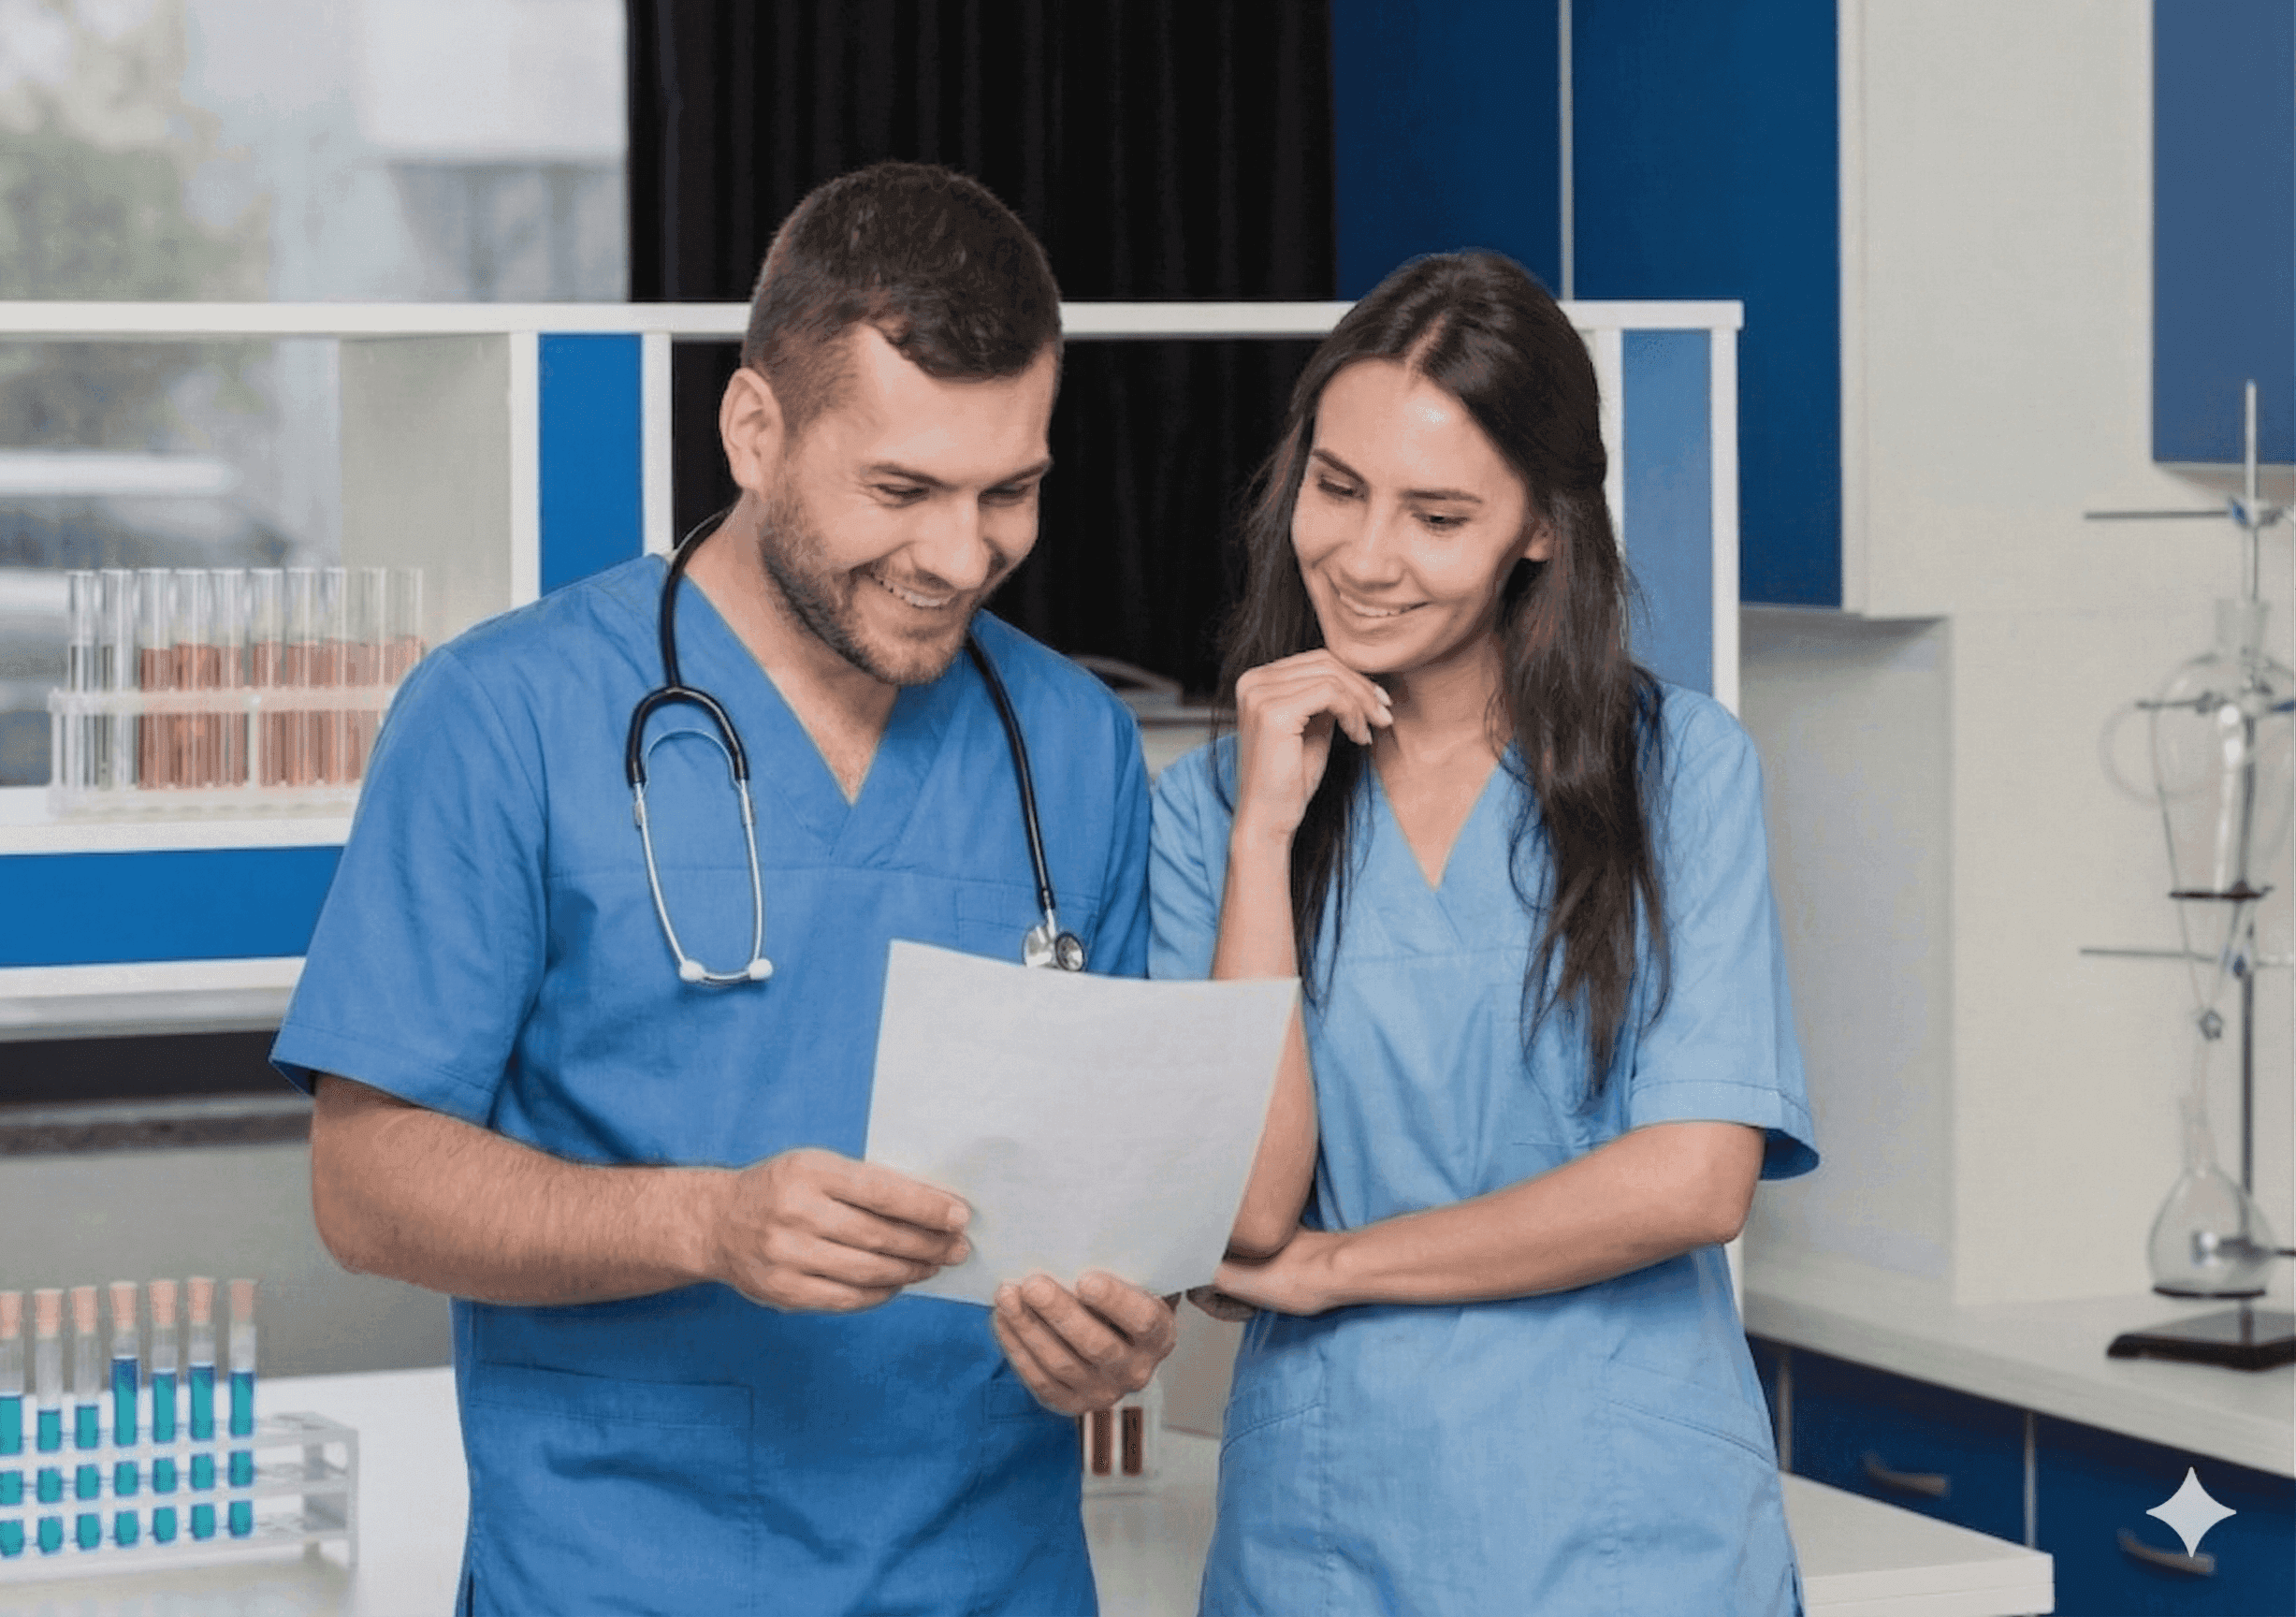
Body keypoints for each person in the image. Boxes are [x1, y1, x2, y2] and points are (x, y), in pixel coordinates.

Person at [278, 161, 1177, 1616]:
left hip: (990, 1577)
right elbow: (364, 1185)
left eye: (1007, 492)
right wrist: (700, 1225)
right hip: (621, 1574)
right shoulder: (504, 716)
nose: (961, 556)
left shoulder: (1068, 745)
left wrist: (1123, 1331)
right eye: (902, 490)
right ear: (756, 429)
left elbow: (1124, 1193)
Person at [1149, 251, 1820, 1615]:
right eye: (1336, 489)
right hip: (1324, 1534)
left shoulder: (1677, 771)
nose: (1365, 556)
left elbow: (1690, 1180)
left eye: (1437, 515)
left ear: (1538, 529)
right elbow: (1238, 1216)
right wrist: (1265, 840)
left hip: (1624, 1536)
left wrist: (1337, 1268)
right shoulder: (1213, 811)